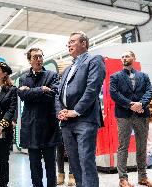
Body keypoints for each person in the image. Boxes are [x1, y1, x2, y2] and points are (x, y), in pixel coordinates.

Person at [57, 31, 106, 187]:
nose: (68, 45)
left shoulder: (94, 60)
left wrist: (76, 110)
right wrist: (61, 110)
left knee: (86, 160)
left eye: (72, 41)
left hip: (84, 119)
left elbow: (93, 88)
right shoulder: (68, 69)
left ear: (84, 43)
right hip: (67, 122)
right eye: (68, 43)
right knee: (74, 163)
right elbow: (59, 93)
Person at [110, 51, 152, 187]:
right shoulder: (115, 76)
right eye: (122, 56)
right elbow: (114, 93)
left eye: (127, 56)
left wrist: (141, 104)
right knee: (123, 146)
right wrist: (130, 105)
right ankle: (123, 179)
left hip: (142, 113)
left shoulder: (144, 76)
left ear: (134, 58)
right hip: (124, 115)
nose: (124, 58)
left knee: (142, 146)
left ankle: (143, 177)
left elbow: (150, 91)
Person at [18, 48, 61, 187]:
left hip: (49, 126)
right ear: (29, 60)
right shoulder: (23, 78)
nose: (38, 59)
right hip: (31, 127)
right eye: (35, 57)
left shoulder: (52, 75)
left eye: (40, 56)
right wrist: (41, 90)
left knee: (50, 165)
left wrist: (31, 92)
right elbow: (23, 96)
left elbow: (52, 95)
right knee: (34, 165)